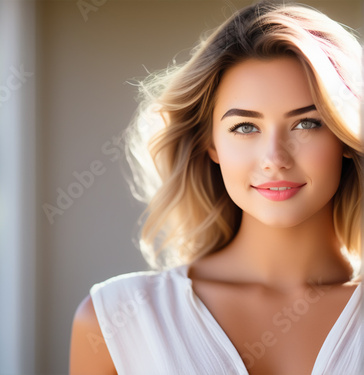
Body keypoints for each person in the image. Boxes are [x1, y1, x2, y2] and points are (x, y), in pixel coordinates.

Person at [69, 1, 363, 374]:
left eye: (307, 124)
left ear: (346, 137)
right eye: (245, 127)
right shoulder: (114, 321)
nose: (274, 158)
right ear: (211, 144)